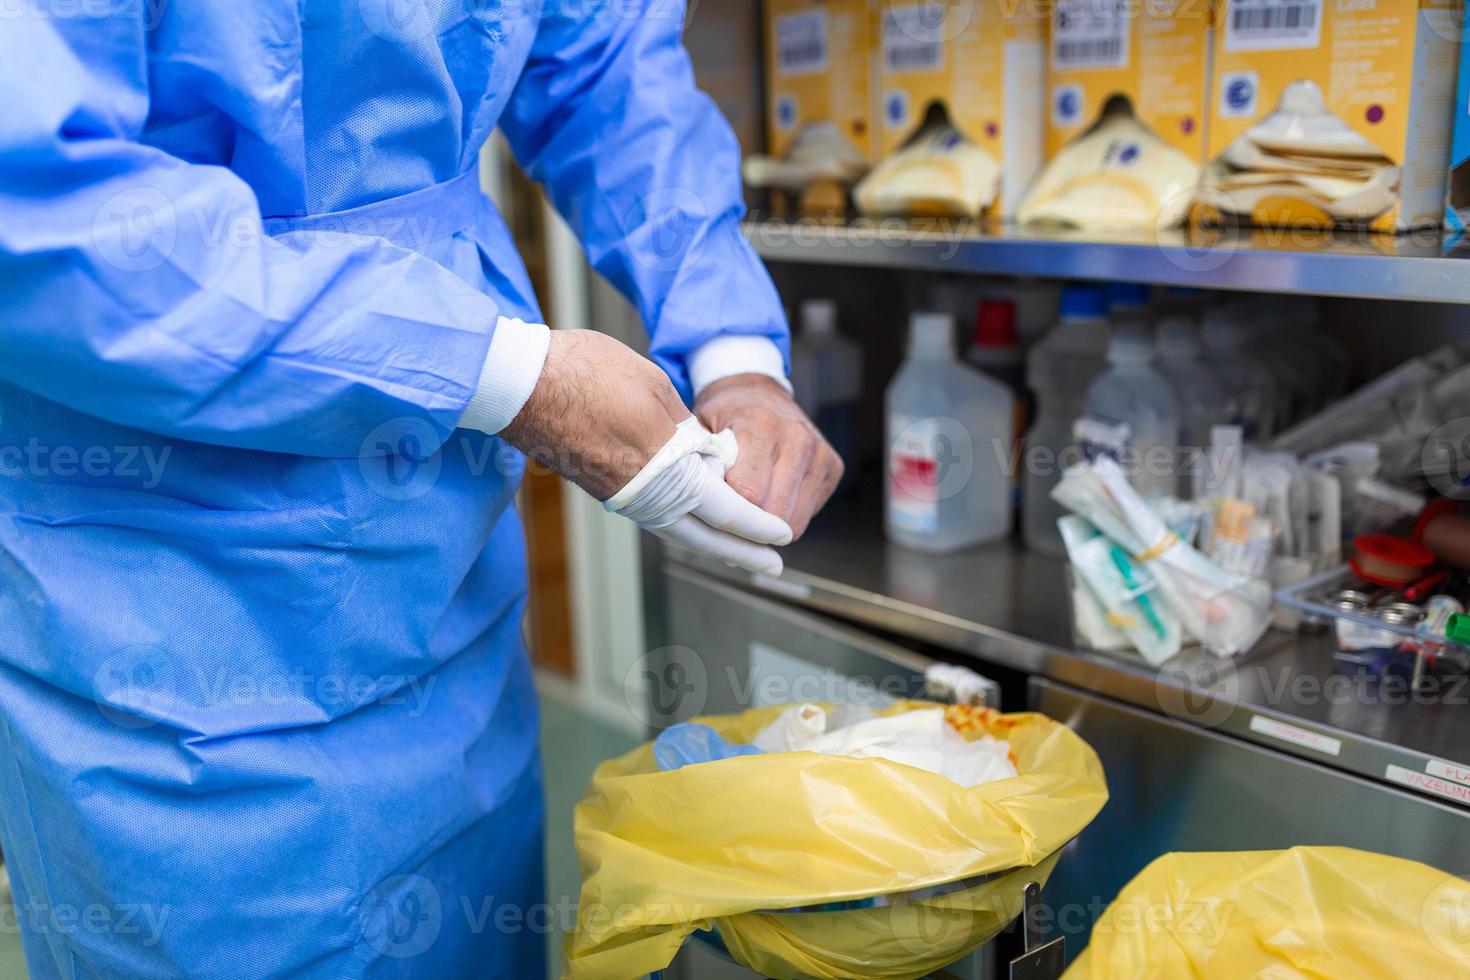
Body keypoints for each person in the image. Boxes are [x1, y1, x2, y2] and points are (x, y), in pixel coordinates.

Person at [0, 4, 840, 977]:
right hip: (168, 599)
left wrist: (733, 347)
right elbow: (37, 210)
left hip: (443, 564)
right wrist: (509, 375)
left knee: (475, 925)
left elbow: (601, 60)